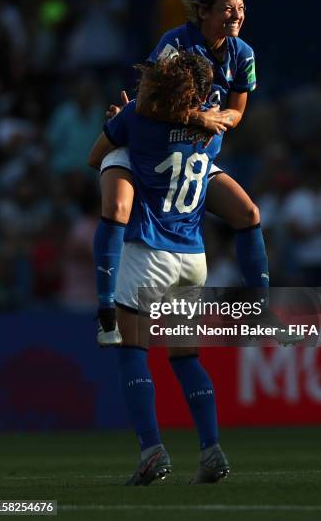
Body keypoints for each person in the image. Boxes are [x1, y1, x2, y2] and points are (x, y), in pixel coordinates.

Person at [93, 0, 270, 336]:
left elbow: (237, 110)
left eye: (241, 7)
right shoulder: (174, 43)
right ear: (203, 11)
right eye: (228, 8)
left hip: (196, 158)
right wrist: (201, 118)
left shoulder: (244, 55)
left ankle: (261, 308)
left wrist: (221, 120)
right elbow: (153, 102)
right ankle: (108, 306)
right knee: (116, 208)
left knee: (249, 214)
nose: (237, 15)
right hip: (157, 153)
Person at [89, 52, 229, 485]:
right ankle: (211, 450)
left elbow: (98, 157)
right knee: (186, 358)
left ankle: (152, 450)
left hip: (149, 251)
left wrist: (120, 125)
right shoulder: (213, 132)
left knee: (131, 351)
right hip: (193, 257)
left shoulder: (136, 116)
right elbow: (178, 131)